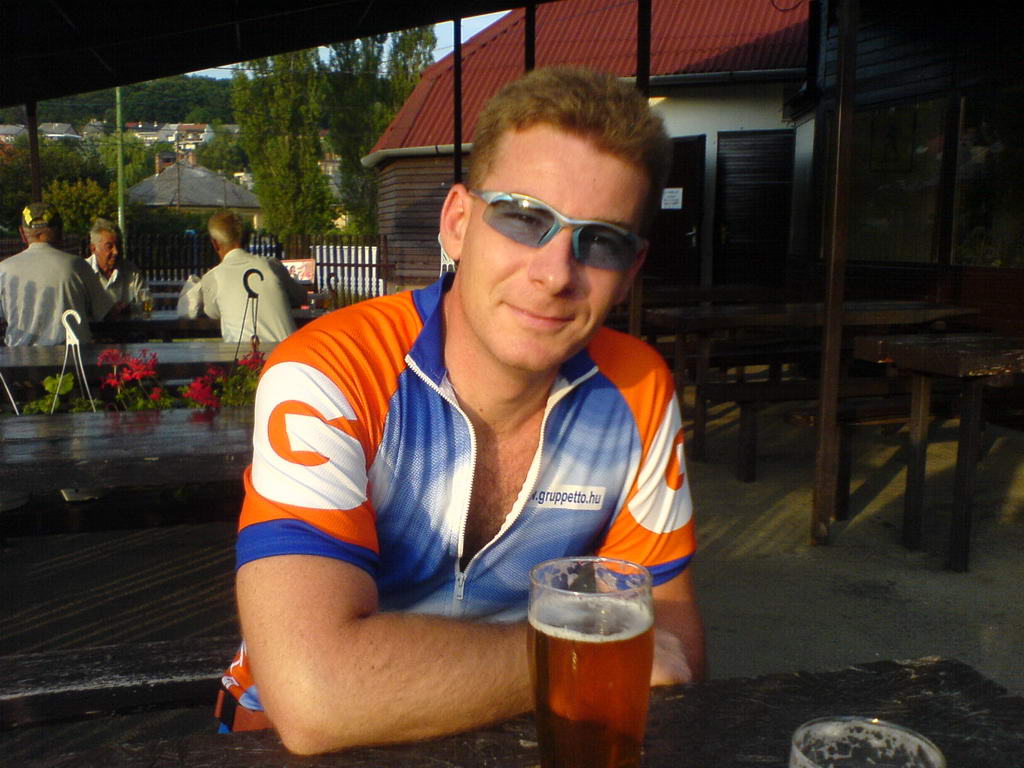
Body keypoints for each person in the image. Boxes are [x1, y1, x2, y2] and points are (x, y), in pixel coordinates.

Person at [218, 66, 705, 754]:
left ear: (629, 272)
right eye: (524, 217)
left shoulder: (639, 388)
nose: (555, 274)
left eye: (601, 241)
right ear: (457, 223)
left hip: (520, 734)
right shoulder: (332, 371)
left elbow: (673, 631)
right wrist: (589, 656)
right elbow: (313, 694)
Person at [0, 202, 113, 346]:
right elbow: (105, 312)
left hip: (19, 356)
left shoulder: (3, 270)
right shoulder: (77, 266)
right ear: (60, 230)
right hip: (71, 356)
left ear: (22, 233)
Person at [200, 210, 306, 344]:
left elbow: (212, 313)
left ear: (215, 244)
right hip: (286, 351)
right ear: (246, 238)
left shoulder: (213, 277)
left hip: (246, 354)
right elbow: (301, 297)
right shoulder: (271, 265)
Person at [85, 218, 150, 316]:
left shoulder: (131, 271)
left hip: (124, 324)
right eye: (109, 247)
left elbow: (146, 302)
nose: (116, 252)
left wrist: (129, 308)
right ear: (93, 248)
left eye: (118, 246)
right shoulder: (82, 272)